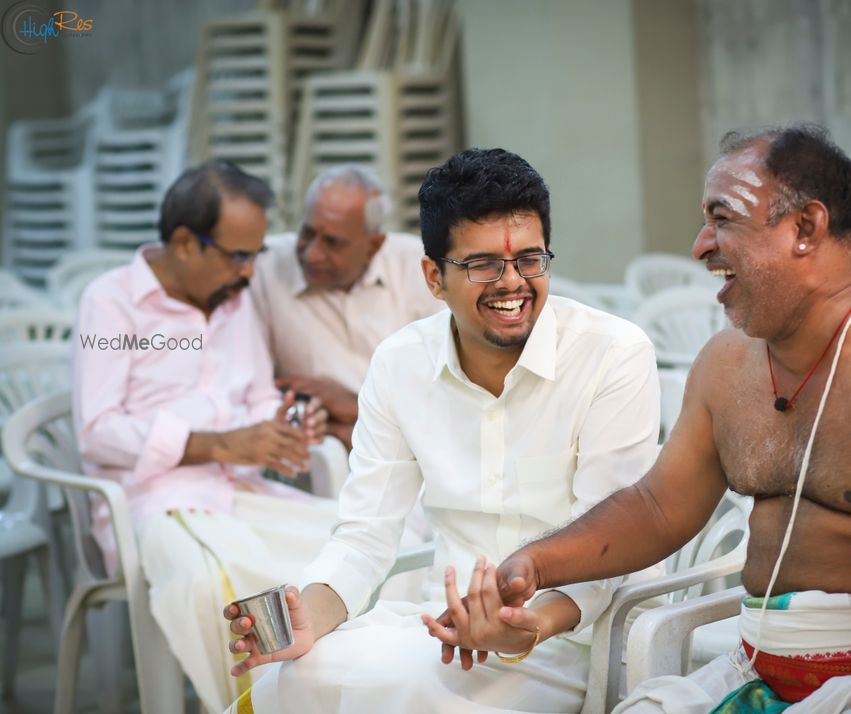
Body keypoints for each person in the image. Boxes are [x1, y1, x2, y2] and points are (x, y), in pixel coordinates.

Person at [478, 125, 851, 714]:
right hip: (754, 675)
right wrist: (534, 564)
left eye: (723, 219)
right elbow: (658, 507)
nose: (701, 246)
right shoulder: (726, 364)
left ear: (806, 228)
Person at [220, 147, 662, 713]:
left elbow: (611, 549)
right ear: (434, 277)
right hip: (439, 631)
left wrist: (527, 625)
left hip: (574, 639)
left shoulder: (612, 355)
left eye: (530, 260)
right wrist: (310, 617)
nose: (513, 285)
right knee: (290, 681)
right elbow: (364, 536)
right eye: (483, 265)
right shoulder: (400, 363)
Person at [73, 159, 341, 712]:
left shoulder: (232, 302)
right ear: (184, 243)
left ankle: (327, 698)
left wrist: (286, 425)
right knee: (214, 587)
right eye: (238, 256)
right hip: (151, 506)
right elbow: (96, 433)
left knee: (346, 554)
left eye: (255, 256)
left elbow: (258, 396)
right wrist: (219, 444)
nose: (248, 273)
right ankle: (255, 705)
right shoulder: (112, 301)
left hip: (240, 496)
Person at [250, 165, 442, 448]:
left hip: (420, 449)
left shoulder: (419, 268)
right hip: (317, 449)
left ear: (374, 245)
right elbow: (250, 390)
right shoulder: (264, 267)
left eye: (333, 243)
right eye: (307, 233)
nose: (312, 254)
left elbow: (446, 392)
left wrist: (354, 406)